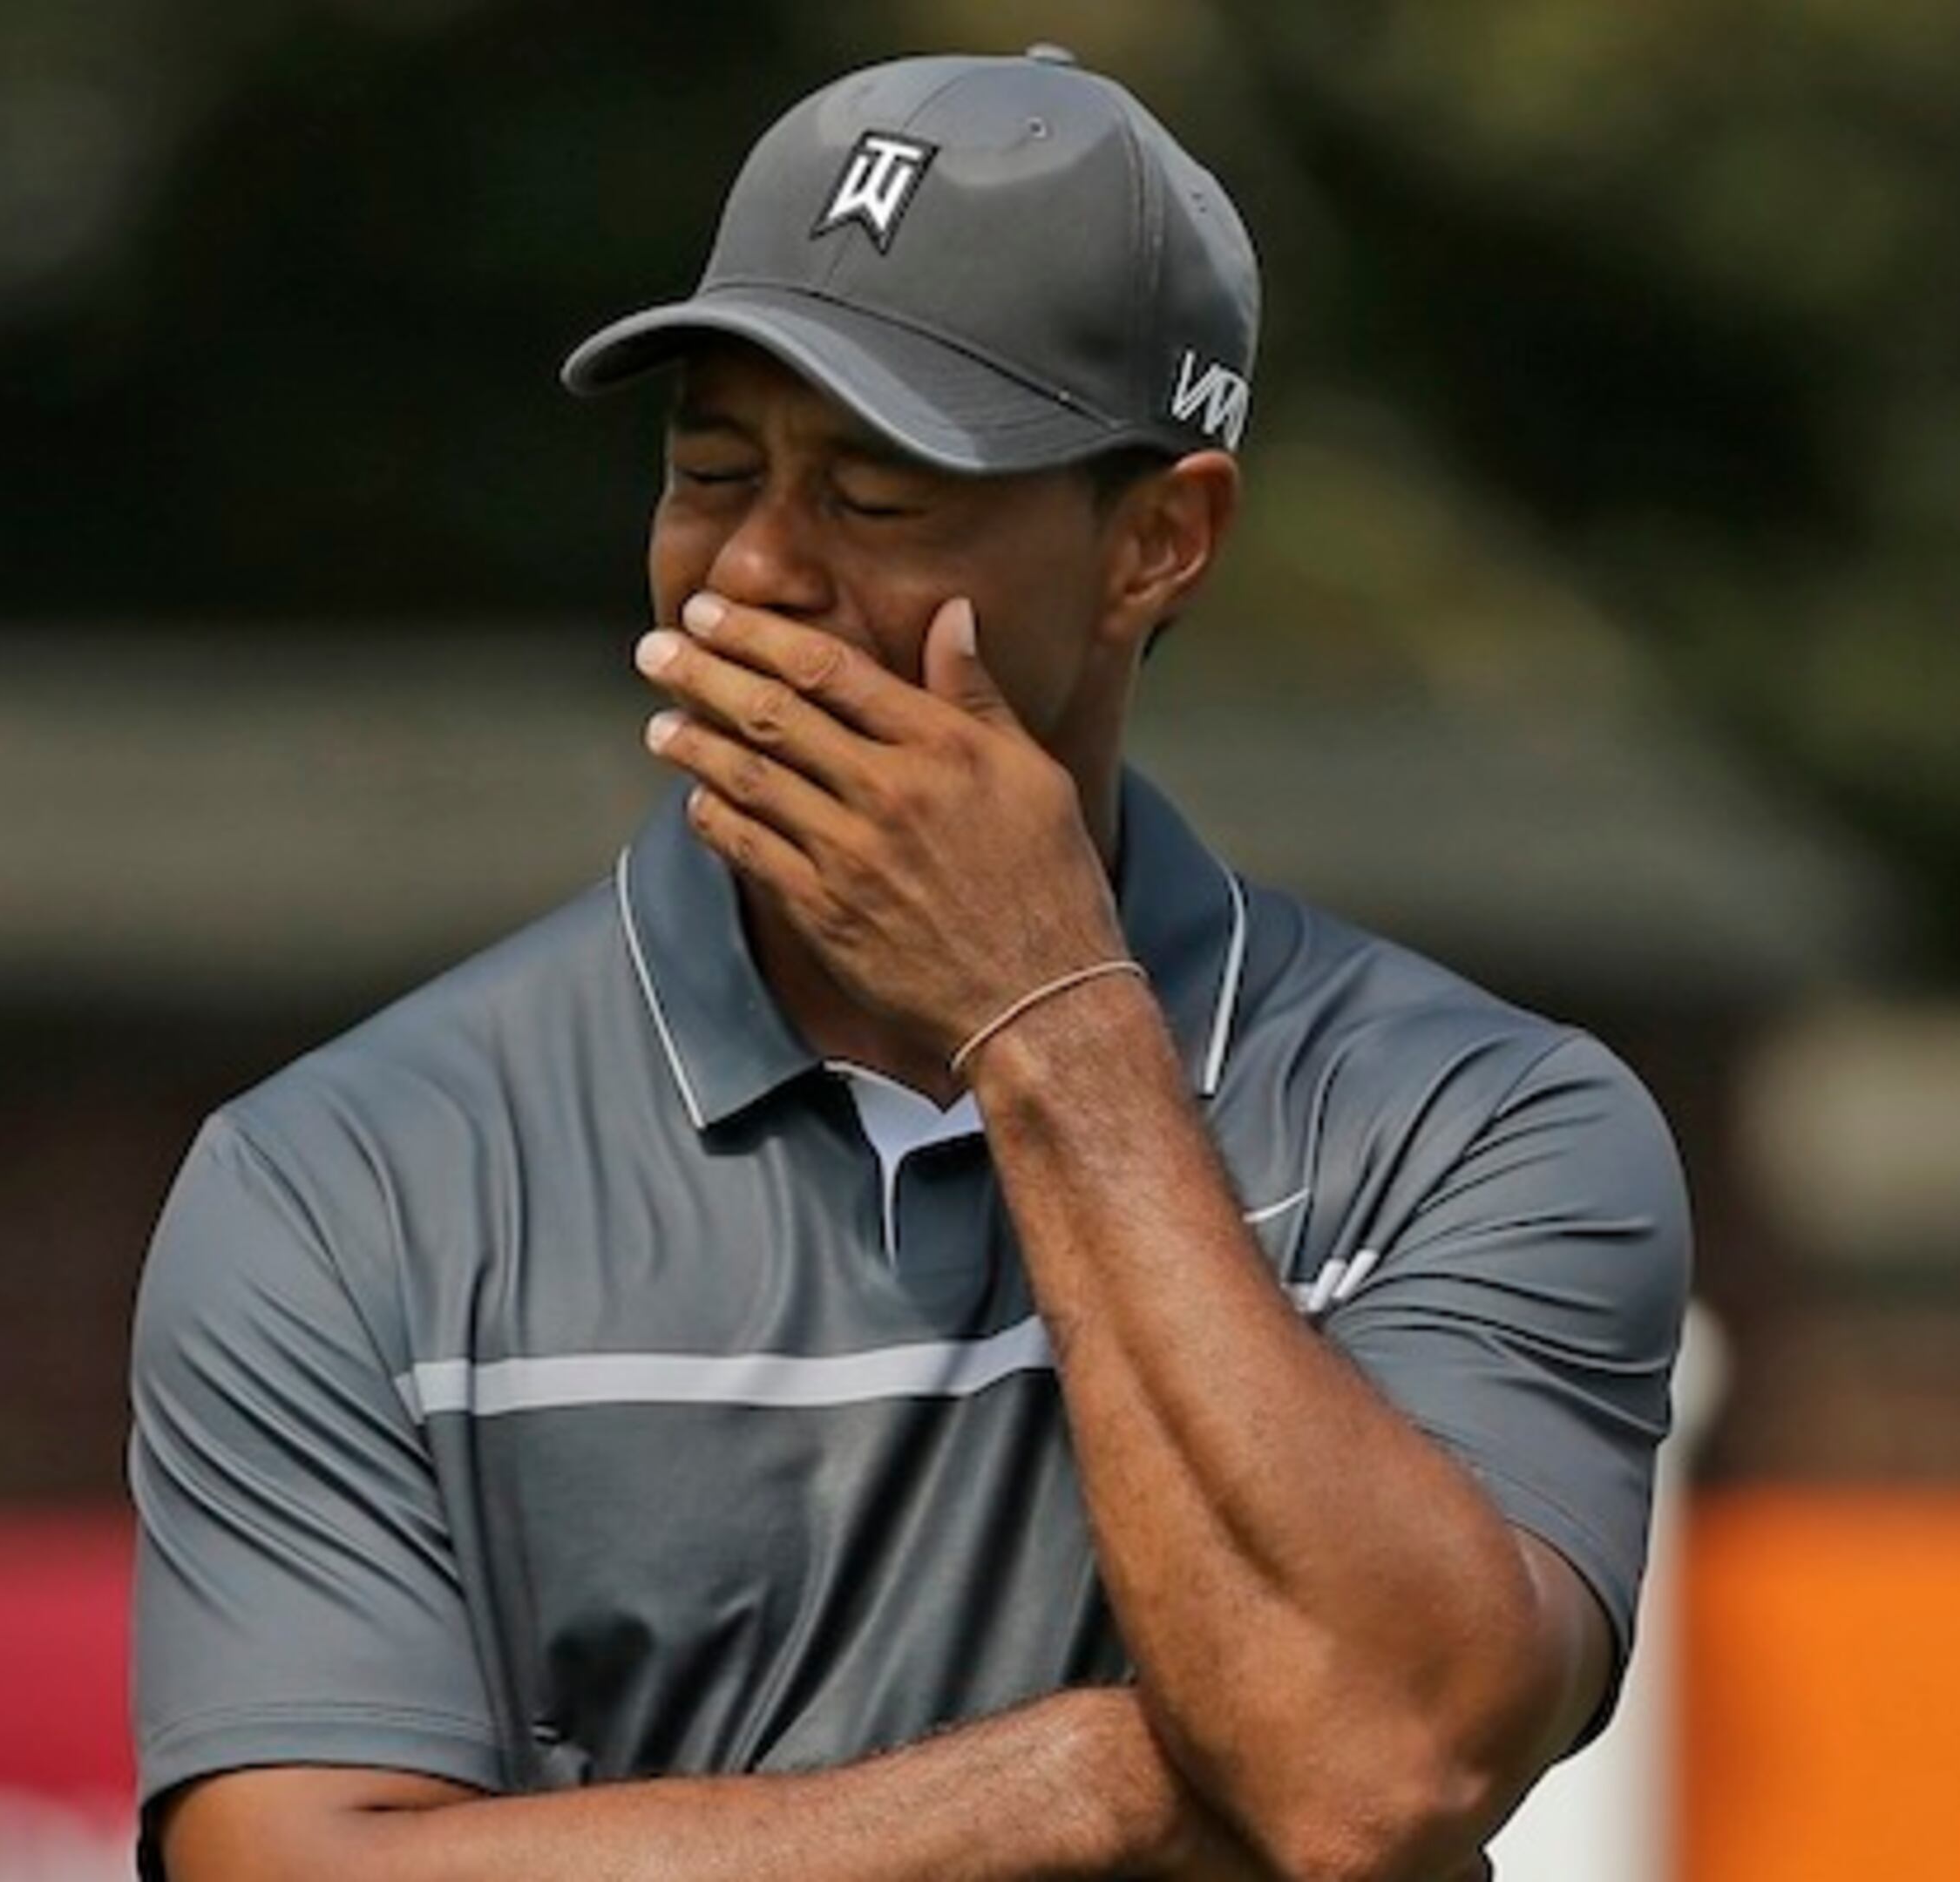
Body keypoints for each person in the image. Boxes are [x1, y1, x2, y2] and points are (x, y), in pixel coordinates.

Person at [128, 45, 1688, 1882]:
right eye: (712, 469)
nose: (753, 576)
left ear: (1159, 544)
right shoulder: (345, 1176)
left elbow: (1362, 1773)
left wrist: (1050, 1015)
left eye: (875, 498)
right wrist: (1107, 1779)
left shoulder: (1482, 1125)